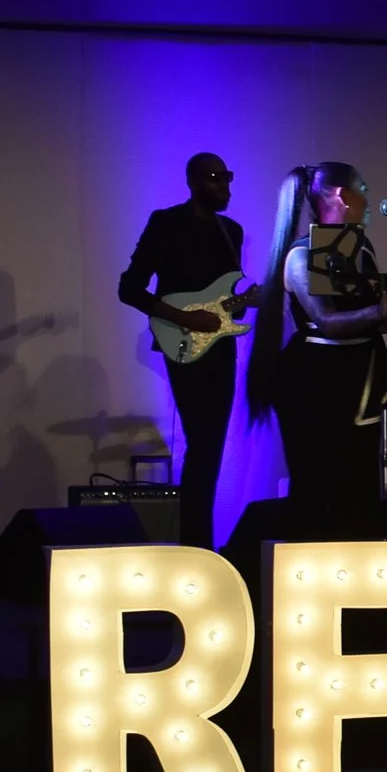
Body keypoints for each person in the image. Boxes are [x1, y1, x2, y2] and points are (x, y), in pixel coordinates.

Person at [117, 153, 264, 547]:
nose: (224, 187)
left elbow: (225, 298)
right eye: (216, 179)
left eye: (228, 179)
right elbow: (129, 288)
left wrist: (251, 299)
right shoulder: (165, 223)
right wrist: (184, 318)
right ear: (194, 181)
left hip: (221, 347)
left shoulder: (230, 230)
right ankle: (196, 544)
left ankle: (202, 542)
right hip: (181, 341)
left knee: (211, 446)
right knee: (201, 442)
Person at [253, 162, 387, 534]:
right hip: (315, 385)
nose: (369, 199)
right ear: (341, 195)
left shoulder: (360, 250)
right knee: (318, 492)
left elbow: (368, 316)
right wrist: (377, 311)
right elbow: (327, 320)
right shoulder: (301, 256)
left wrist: (386, 317)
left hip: (357, 382)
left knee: (358, 490)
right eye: (363, 188)